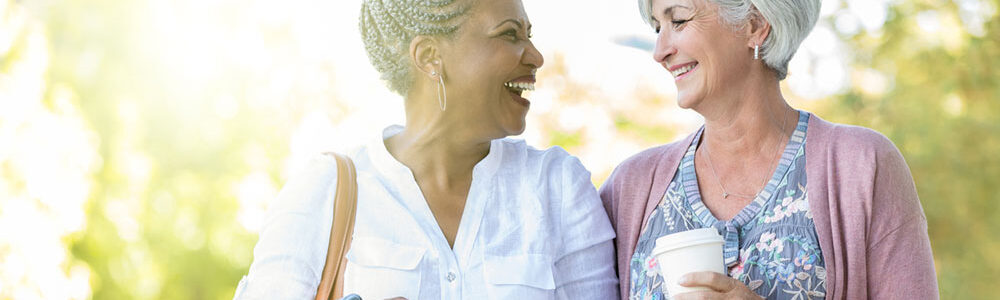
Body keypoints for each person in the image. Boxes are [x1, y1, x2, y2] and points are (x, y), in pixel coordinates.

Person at [231, 0, 619, 299]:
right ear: (430, 57)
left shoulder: (558, 187)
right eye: (509, 34)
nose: (536, 56)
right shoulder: (325, 191)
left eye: (528, 35)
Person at [599, 0, 939, 299]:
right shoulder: (630, 188)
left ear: (755, 25)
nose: (659, 52)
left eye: (679, 20)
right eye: (658, 27)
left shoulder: (861, 166)